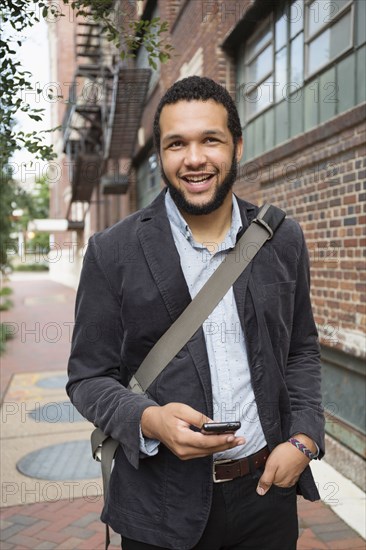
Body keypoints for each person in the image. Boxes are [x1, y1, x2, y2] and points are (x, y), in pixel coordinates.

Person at [67, 76, 325, 550]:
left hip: (267, 494)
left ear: (238, 146)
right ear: (160, 155)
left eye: (211, 139)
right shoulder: (112, 251)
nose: (194, 159)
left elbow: (302, 350)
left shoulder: (282, 238)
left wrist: (304, 438)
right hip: (161, 507)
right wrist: (149, 420)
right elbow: (88, 378)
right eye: (176, 144)